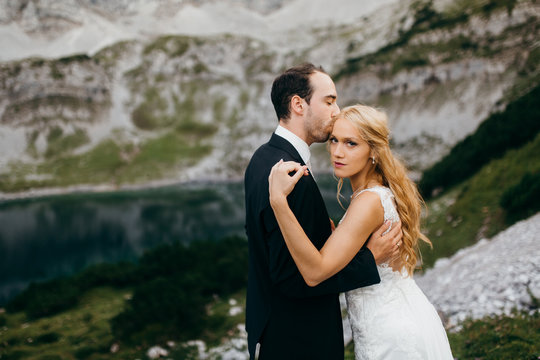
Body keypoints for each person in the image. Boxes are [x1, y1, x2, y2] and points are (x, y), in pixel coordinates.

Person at [268, 104, 454, 359]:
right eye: (334, 140)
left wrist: (278, 202)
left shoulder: (368, 201)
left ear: (374, 152)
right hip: (401, 317)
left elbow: (314, 273)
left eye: (351, 143)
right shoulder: (378, 193)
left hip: (390, 334)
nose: (337, 152)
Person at [244, 64, 403, 360]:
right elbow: (293, 277)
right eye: (329, 100)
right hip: (300, 341)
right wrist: (368, 260)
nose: (336, 110)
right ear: (298, 104)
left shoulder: (262, 158)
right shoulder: (292, 175)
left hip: (272, 330)